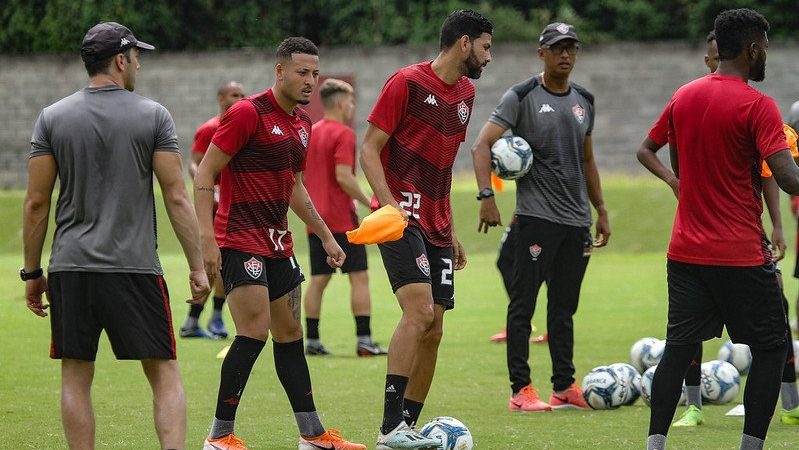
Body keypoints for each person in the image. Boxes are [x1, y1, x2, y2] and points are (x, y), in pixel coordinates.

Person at [23, 22, 210, 450]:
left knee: (75, 374)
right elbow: (177, 196)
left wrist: (32, 272)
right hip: (135, 269)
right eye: (137, 57)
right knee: (163, 373)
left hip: (71, 267)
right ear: (121, 59)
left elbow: (36, 202)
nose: (139, 65)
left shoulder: (52, 117)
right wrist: (198, 267)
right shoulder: (154, 115)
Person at [195, 37, 365, 450]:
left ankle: (312, 434)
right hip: (240, 239)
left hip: (279, 244)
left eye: (314, 73)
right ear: (280, 71)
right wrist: (206, 240)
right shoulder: (246, 113)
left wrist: (326, 235)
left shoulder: (303, 124)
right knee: (253, 332)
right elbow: (204, 174)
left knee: (290, 336)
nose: (310, 81)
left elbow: (295, 189)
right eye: (301, 72)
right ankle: (219, 437)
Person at [642, 9, 799, 450]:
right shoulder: (758, 105)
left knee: (678, 346)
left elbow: (650, 148)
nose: (766, 54)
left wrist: (680, 184)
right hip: (741, 255)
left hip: (685, 252)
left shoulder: (684, 96)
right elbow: (786, 178)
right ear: (752, 49)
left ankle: (655, 444)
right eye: (765, 47)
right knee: (771, 347)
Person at [360, 9, 493, 449]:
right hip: (401, 218)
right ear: (464, 43)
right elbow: (369, 149)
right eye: (486, 47)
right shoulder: (407, 83)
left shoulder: (467, 94)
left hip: (435, 221)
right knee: (417, 312)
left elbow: (444, 167)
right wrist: (390, 205)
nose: (489, 57)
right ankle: (389, 427)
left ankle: (407, 429)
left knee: (435, 327)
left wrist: (450, 227)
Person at [471, 22, 610, 412]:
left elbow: (587, 160)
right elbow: (481, 145)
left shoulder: (585, 99)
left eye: (571, 48)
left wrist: (600, 210)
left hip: (577, 221)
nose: (565, 55)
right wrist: (487, 196)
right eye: (556, 48)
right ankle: (521, 390)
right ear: (541, 54)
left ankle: (564, 386)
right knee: (523, 304)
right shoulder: (522, 96)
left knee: (564, 308)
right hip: (535, 218)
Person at [302, 78, 387, 357]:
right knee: (359, 277)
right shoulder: (344, 133)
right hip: (341, 219)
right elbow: (344, 177)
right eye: (351, 101)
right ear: (340, 103)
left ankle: (312, 341)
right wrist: (372, 202)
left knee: (318, 279)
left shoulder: (310, 132)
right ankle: (364, 341)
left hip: (315, 219)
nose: (352, 107)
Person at [180, 81, 245, 339]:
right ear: (221, 98)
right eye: (234, 94)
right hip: (213, 208)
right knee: (213, 263)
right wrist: (212, 187)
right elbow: (195, 165)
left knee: (223, 265)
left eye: (242, 94)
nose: (240, 98)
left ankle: (205, 319)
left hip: (234, 207)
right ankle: (200, 320)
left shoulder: (244, 126)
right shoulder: (209, 129)